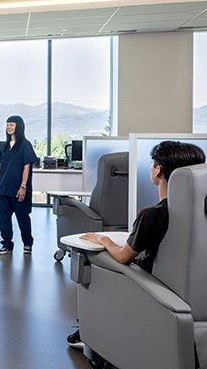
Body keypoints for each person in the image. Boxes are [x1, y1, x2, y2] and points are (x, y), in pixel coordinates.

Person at [66, 140, 206, 368]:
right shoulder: (197, 216)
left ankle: (90, 334)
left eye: (152, 164)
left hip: (151, 286)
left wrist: (104, 240)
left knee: (97, 261)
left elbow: (123, 257)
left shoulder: (153, 215)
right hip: (190, 292)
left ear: (158, 169)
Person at [0, 115, 38, 255]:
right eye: (7, 124)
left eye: (12, 124)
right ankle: (7, 245)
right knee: (4, 219)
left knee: (23, 217)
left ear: (18, 126)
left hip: (18, 189)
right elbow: (3, 167)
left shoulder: (25, 145)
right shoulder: (4, 146)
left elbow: (27, 167)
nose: (9, 127)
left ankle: (27, 243)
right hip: (3, 188)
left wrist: (23, 186)